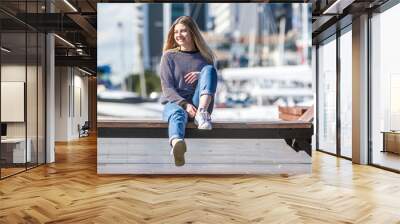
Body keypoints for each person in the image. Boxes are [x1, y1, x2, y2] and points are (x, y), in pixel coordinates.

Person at [160, 16, 218, 167]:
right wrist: (185, 105)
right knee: (177, 114)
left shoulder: (205, 57)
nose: (178, 35)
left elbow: (212, 80)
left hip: (200, 105)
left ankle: (202, 114)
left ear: (192, 33)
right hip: (176, 102)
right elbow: (167, 89)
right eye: (176, 32)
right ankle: (177, 144)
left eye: (183, 31)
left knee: (209, 70)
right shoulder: (169, 56)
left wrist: (202, 75)